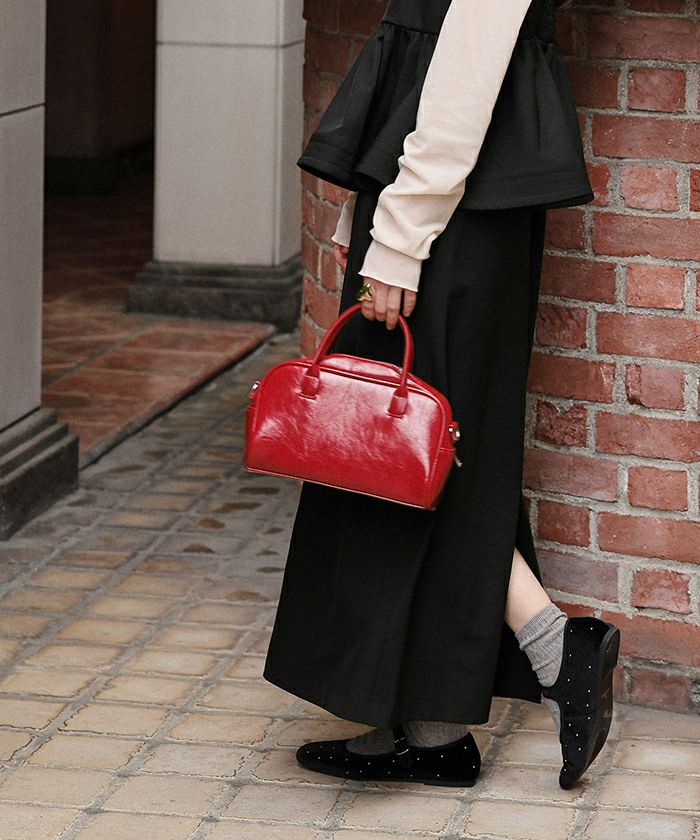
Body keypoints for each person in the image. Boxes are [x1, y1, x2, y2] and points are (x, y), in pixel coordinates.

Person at [263, 0, 621, 790]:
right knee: (421, 455)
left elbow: (467, 64)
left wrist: (399, 233)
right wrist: (381, 214)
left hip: (446, 209)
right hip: (452, 199)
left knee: (399, 450)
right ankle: (433, 729)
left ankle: (553, 645)